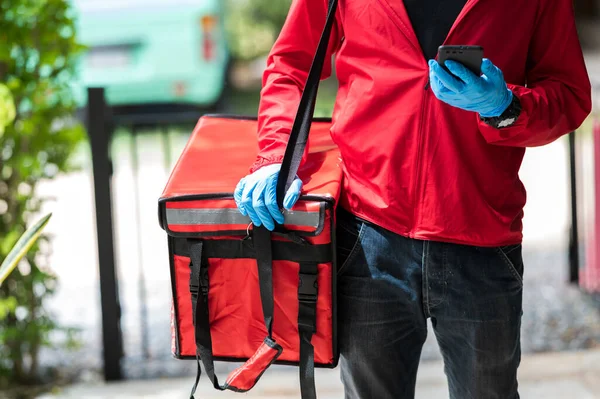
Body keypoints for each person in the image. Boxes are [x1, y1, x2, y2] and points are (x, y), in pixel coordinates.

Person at [233, 0, 593, 397]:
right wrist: (275, 154)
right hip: (366, 231)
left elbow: (568, 95)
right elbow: (291, 65)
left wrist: (505, 107)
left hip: (482, 233)